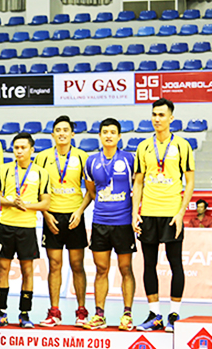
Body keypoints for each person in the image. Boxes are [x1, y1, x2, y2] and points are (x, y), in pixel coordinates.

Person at [133, 98, 195, 332]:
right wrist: (134, 214)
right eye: (154, 115)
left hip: (171, 214)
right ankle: (155, 313)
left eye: (161, 115)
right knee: (149, 264)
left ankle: (173, 315)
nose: (157, 119)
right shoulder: (143, 147)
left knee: (175, 263)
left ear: (171, 118)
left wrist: (181, 213)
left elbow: (189, 182)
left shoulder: (182, 145)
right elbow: (137, 183)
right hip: (148, 213)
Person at [34, 116, 90, 327]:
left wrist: (80, 211)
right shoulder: (42, 157)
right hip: (52, 217)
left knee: (77, 265)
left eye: (66, 130)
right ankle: (54, 311)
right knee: (54, 265)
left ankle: (81, 311)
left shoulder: (83, 156)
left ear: (72, 134)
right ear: (52, 134)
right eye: (58, 130)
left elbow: (90, 191)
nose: (62, 133)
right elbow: (37, 191)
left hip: (75, 215)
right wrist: (46, 215)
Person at [84, 118, 136, 331]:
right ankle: (99, 315)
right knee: (101, 269)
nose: (108, 135)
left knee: (125, 268)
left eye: (112, 132)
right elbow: (91, 190)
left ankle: (127, 315)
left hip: (123, 223)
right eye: (105, 132)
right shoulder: (91, 161)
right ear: (100, 135)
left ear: (119, 136)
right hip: (100, 222)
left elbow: (137, 188)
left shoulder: (130, 159)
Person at [0, 132, 50, 328]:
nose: (19, 151)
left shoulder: (42, 172)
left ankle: (24, 313)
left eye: (23, 147)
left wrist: (26, 205)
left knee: (27, 271)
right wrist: (11, 203)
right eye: (16, 147)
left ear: (32, 150)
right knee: (2, 270)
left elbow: (45, 203)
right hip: (5, 226)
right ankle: (0, 311)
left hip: (27, 228)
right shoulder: (4, 170)